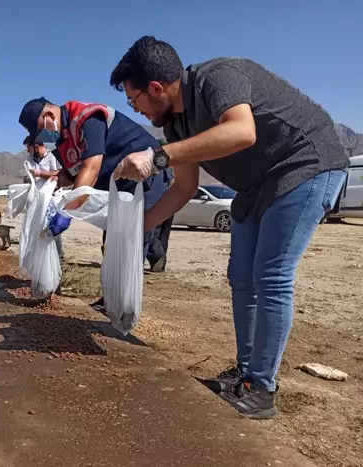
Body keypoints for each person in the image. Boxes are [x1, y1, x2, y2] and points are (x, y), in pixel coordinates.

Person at [109, 36, 350, 419]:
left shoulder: (217, 76)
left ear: (156, 88)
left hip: (306, 165)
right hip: (257, 185)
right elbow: (184, 187)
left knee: (271, 275)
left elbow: (241, 131)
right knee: (241, 276)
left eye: (133, 99)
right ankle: (246, 373)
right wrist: (136, 227)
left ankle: (262, 388)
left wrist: (156, 158)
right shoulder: (177, 127)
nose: (135, 109)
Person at [18, 97, 173, 308]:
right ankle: (112, 301)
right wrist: (51, 187)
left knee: (131, 241)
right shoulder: (63, 139)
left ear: (48, 117)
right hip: (119, 185)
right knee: (112, 244)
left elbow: (90, 168)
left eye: (41, 131)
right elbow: (70, 174)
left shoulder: (86, 118)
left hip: (147, 178)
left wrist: (65, 212)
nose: (44, 138)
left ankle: (122, 308)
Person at [23, 135, 65, 260]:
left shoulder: (52, 157)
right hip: (38, 199)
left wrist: (40, 174)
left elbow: (58, 173)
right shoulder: (30, 160)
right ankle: (41, 257)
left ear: (36, 147)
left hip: (53, 198)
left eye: (28, 148)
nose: (27, 151)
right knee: (38, 228)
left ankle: (58, 257)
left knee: (53, 227)